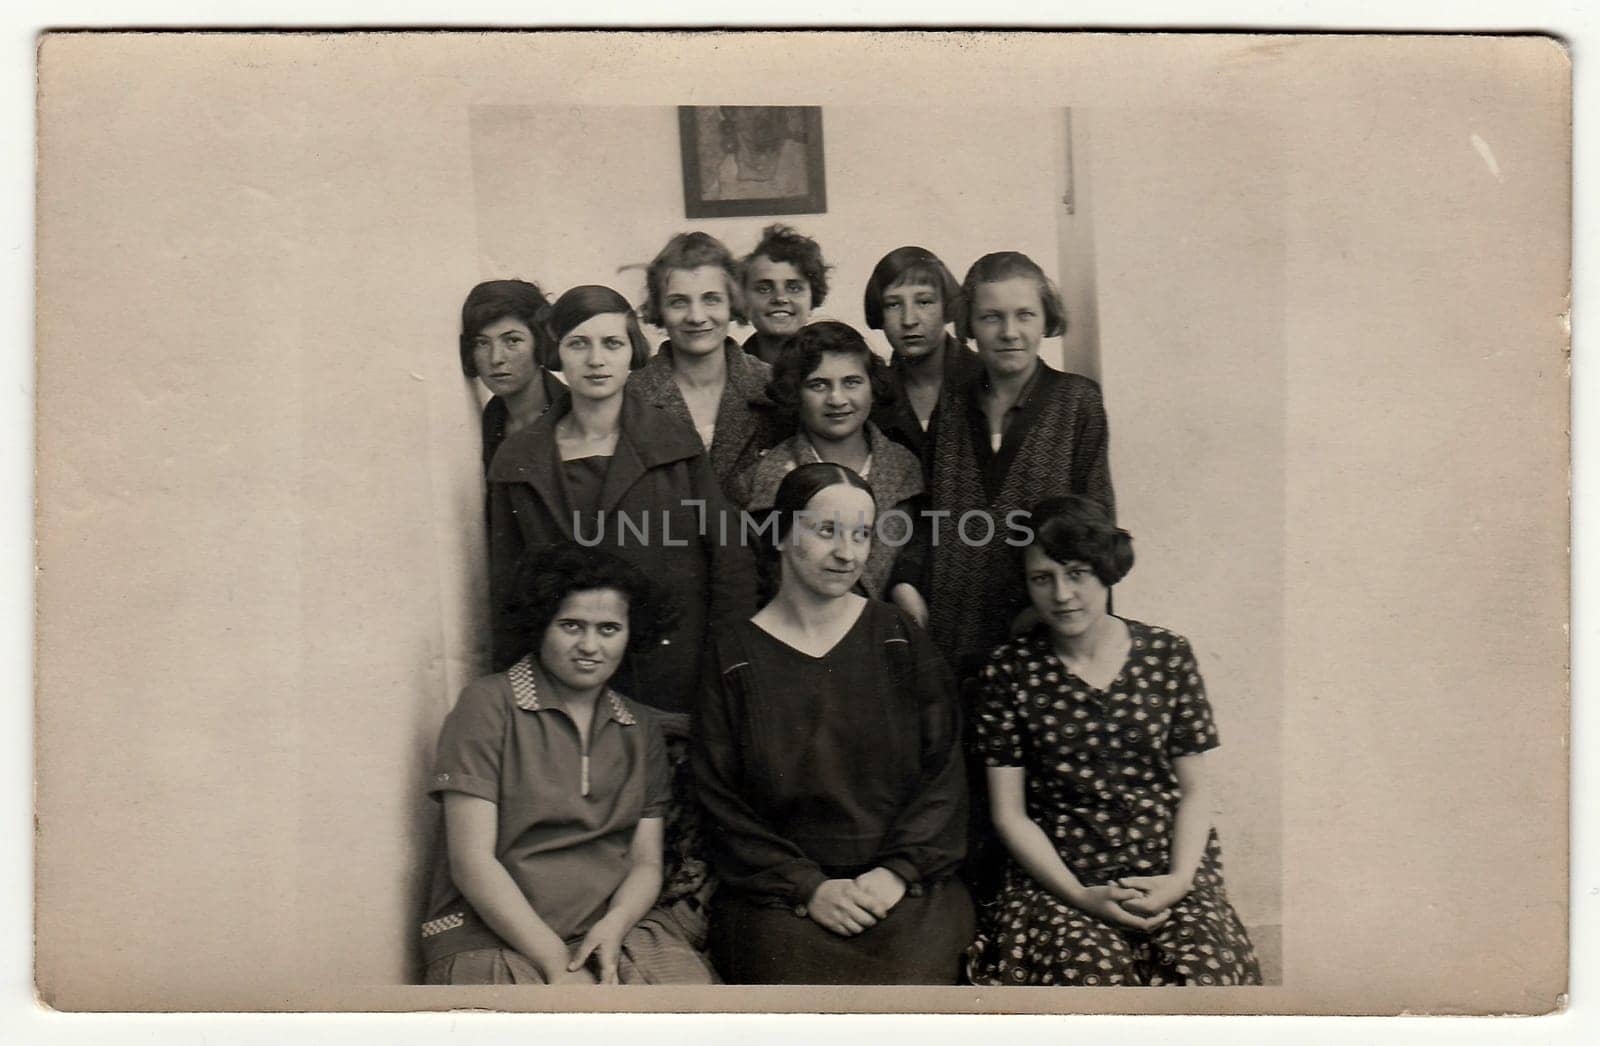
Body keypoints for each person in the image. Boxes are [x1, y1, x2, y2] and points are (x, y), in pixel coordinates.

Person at [487, 286, 759, 951]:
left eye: (611, 343)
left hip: (670, 675)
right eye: (578, 344)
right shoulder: (519, 460)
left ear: (633, 352)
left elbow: (728, 564)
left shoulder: (674, 448)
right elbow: (507, 593)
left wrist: (726, 673)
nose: (596, 360)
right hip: (567, 687)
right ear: (556, 354)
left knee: (676, 838)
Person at [694, 463, 973, 984]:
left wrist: (897, 872)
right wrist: (808, 888)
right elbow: (720, 800)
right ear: (780, 534)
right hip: (781, 900)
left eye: (862, 535)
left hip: (902, 893)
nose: (847, 553)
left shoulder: (896, 637)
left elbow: (945, 774)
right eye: (826, 531)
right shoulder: (733, 655)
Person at [966, 496, 1262, 986]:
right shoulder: (1008, 671)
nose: (1062, 594)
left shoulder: (1168, 655)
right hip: (1061, 877)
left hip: (1168, 866)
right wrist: (1081, 897)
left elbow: (1194, 790)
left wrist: (1179, 881)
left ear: (1106, 571)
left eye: (1077, 572)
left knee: (1203, 976)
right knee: (1084, 981)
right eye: (1043, 578)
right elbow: (1009, 814)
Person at [420, 543, 718, 985]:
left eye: (609, 629)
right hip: (491, 935)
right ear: (541, 626)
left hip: (609, 930)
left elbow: (645, 864)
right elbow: (471, 862)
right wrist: (555, 962)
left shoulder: (638, 727)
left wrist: (615, 925)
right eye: (571, 626)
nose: (589, 646)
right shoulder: (488, 705)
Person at [926, 251, 1115, 682]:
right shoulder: (953, 403)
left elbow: (1097, 525)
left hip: (1044, 627)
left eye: (1024, 315)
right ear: (969, 325)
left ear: (1046, 319)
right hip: (957, 630)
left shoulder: (1077, 402)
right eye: (991, 317)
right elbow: (929, 512)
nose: (1010, 332)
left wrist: (1053, 611)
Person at [733, 320, 928, 616]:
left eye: (851, 382)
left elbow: (919, 552)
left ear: (872, 388)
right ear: (795, 393)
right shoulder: (762, 480)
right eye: (818, 384)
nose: (837, 399)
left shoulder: (905, 469)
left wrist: (905, 584)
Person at [630, 231, 785, 502]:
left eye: (711, 299)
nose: (696, 316)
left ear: (732, 302)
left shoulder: (770, 386)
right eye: (678, 302)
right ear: (659, 309)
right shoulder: (633, 395)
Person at [862, 246, 982, 473]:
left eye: (924, 302)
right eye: (893, 304)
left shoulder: (987, 379)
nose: (909, 320)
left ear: (947, 306)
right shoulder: (872, 393)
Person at [458, 279, 569, 472]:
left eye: (512, 340)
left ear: (540, 342)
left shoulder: (574, 416)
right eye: (482, 343)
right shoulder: (492, 421)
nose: (496, 358)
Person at [738, 223, 830, 367]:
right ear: (743, 300)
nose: (780, 298)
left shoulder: (836, 366)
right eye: (764, 289)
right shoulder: (727, 373)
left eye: (794, 288)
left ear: (813, 296)